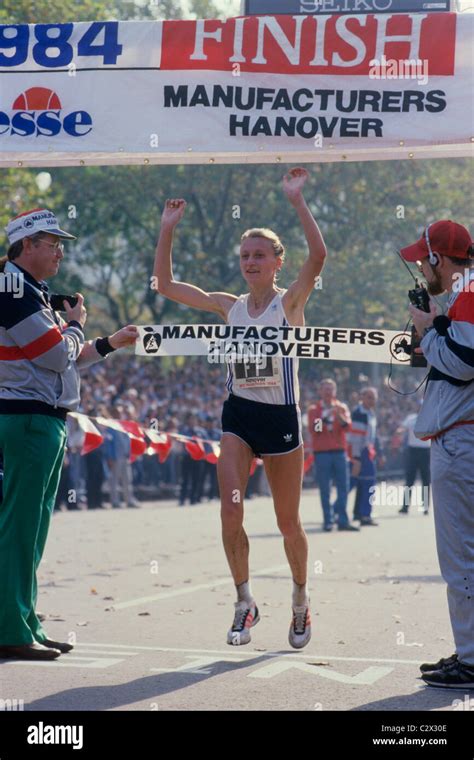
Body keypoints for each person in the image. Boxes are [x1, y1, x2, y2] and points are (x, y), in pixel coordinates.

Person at [153, 167, 326, 648]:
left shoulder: (289, 304)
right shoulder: (227, 306)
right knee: (230, 513)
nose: (250, 261)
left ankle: (299, 600)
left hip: (281, 420)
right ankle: (244, 602)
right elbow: (165, 285)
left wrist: (296, 200)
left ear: (276, 263)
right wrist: (167, 229)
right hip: (239, 417)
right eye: (245, 255)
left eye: (260, 255)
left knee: (287, 523)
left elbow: (319, 256)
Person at [0, 208, 138, 661]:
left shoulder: (30, 289)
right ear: (25, 245)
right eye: (51, 241)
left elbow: (68, 359)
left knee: (31, 529)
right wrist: (76, 325)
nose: (60, 249)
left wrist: (109, 343)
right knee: (20, 528)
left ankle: (24, 621)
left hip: (42, 419)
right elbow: (56, 356)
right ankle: (11, 627)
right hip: (27, 419)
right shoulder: (15, 287)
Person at [400, 220, 474, 689]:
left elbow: (463, 366)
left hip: (460, 440)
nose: (420, 268)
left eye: (422, 259)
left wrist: (429, 329)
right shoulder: (463, 295)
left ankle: (470, 659)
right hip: (462, 436)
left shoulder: (468, 293)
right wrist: (430, 327)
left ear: (438, 259)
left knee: (460, 559)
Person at [307, 378, 358, 532]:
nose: (328, 392)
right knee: (325, 488)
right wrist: (324, 416)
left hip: (339, 452)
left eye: (331, 389)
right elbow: (314, 430)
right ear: (320, 392)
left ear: (335, 391)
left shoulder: (341, 407)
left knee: (344, 486)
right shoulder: (313, 409)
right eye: (325, 389)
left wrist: (337, 415)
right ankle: (328, 520)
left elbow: (347, 427)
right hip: (322, 453)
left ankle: (342, 520)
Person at [348, 387, 385, 527]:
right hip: (360, 452)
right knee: (363, 483)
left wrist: (380, 453)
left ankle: (359, 513)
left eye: (374, 397)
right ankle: (364, 515)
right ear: (362, 397)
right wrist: (356, 457)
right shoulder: (358, 413)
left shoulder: (370, 413)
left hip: (367, 452)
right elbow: (355, 438)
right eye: (369, 397)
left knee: (360, 483)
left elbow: (374, 437)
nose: (372, 400)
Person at [398, 409, 430, 515]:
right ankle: (405, 507)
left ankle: (425, 507)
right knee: (409, 481)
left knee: (425, 481)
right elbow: (402, 428)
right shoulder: (411, 418)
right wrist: (400, 431)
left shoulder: (430, 417)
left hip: (425, 451)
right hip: (413, 451)